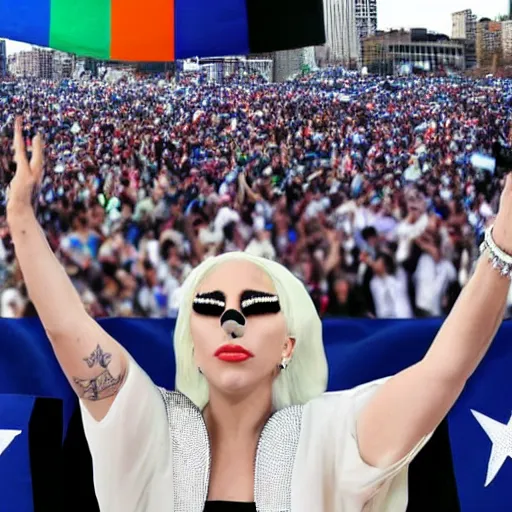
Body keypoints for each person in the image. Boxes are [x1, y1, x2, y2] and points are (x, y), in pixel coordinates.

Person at [7, 118, 512, 512]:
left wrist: (503, 246)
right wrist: (21, 219)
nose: (232, 319)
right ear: (191, 344)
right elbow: (67, 327)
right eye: (209, 307)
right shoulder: (144, 430)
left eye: (258, 306)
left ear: (289, 344)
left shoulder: (334, 435)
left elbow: (445, 368)